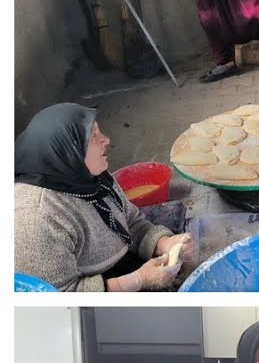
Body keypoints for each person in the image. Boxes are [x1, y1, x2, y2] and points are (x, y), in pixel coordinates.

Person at [14, 103, 194, 292]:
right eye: (93, 137)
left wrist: (164, 244)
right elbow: (64, 296)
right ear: (66, 152)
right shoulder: (34, 219)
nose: (106, 140)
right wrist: (138, 280)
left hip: (119, 265)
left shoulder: (93, 178)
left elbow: (130, 222)